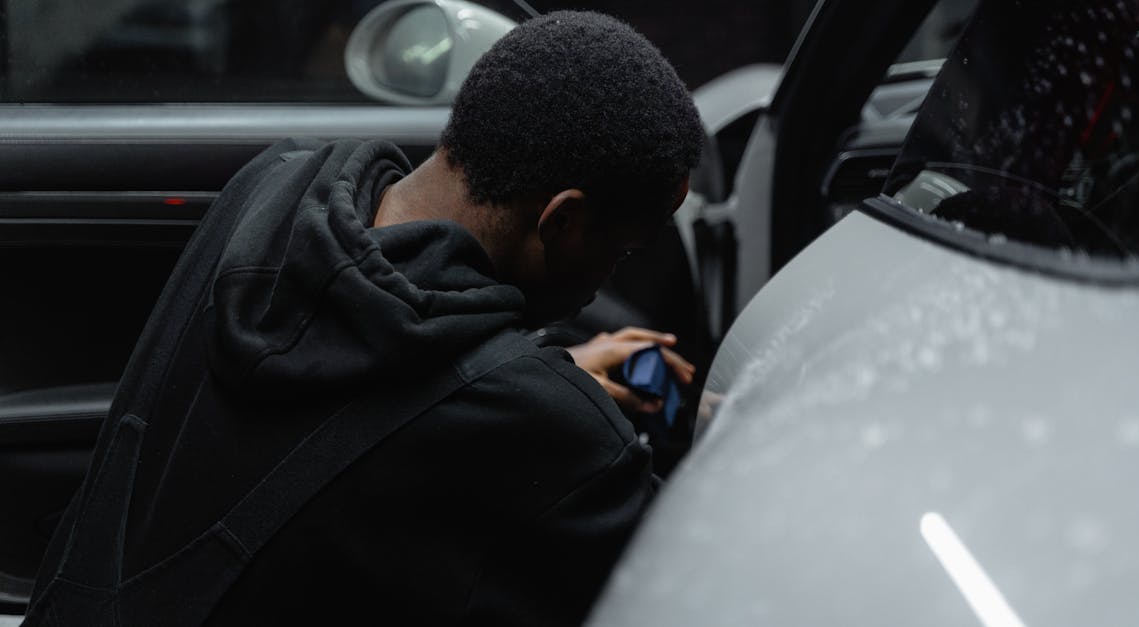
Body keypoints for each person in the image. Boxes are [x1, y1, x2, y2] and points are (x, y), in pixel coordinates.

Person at [22, 10, 705, 627]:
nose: (603, 282)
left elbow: (338, 389)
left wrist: (534, 375)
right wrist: (546, 396)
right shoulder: (556, 436)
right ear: (564, 220)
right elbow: (699, 590)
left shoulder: (264, 195)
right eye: (618, 251)